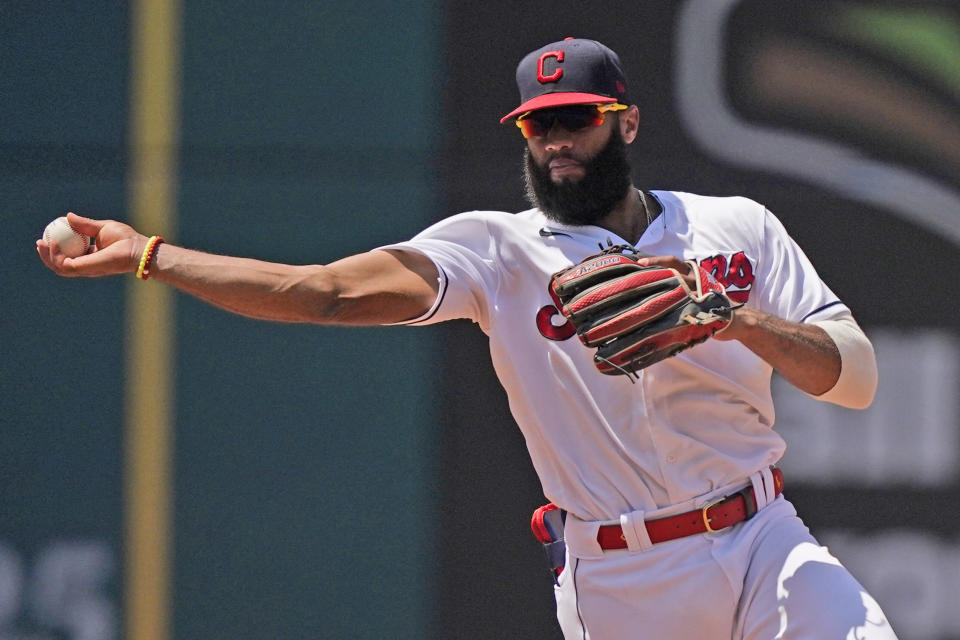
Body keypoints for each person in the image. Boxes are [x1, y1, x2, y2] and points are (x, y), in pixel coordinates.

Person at [37, 37, 897, 639]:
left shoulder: (732, 228)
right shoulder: (495, 250)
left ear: (626, 122)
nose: (557, 141)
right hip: (625, 580)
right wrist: (154, 255)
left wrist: (730, 319)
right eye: (538, 124)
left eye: (578, 118)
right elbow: (325, 294)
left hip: (761, 537)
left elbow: (853, 378)